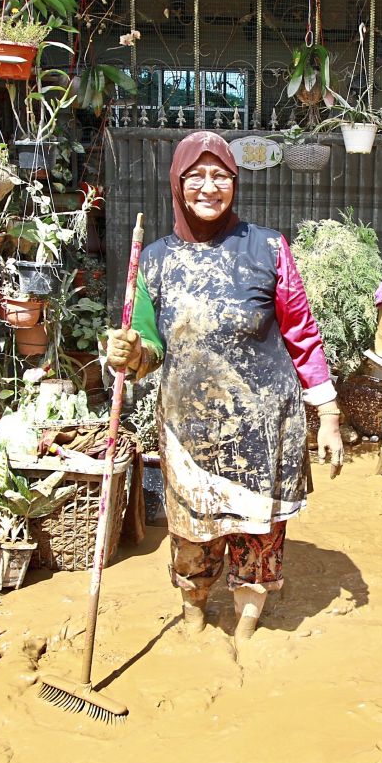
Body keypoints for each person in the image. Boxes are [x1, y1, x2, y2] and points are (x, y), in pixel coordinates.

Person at [105, 131, 343, 640]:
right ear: (178, 182)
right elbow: (148, 342)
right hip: (188, 435)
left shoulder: (268, 248)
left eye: (221, 176)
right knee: (191, 537)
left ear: (235, 184)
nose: (209, 187)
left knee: (258, 538)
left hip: (265, 431)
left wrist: (329, 417)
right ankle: (193, 621)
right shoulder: (154, 261)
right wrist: (131, 352)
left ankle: (246, 634)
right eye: (197, 176)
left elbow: (302, 334)